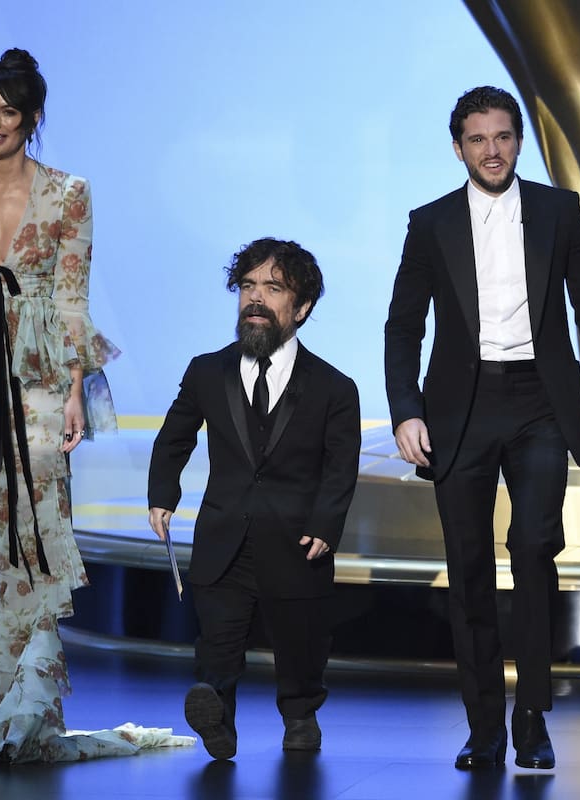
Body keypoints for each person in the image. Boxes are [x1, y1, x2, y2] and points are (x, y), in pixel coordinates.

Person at [0, 48, 188, 762]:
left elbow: (70, 300)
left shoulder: (67, 194)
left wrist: (78, 393)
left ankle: (21, 715)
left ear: (32, 118)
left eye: (8, 112)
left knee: (30, 537)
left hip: (35, 385)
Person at [384, 86, 580, 770]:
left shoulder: (559, 209)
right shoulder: (430, 223)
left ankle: (533, 717)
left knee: (532, 547)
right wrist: (406, 408)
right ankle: (484, 725)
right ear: (459, 147)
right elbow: (404, 324)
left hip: (539, 404)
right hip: (457, 407)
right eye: (477, 139)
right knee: (467, 570)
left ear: (518, 141)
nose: (492, 150)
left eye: (503, 136)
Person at [148, 238, 361, 761]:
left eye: (273, 287)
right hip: (224, 534)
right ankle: (217, 718)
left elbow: (340, 466)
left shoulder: (335, 387)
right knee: (218, 643)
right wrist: (162, 495)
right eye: (247, 286)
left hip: (297, 539)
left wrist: (327, 523)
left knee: (300, 644)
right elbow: (175, 436)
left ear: (302, 307)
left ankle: (300, 716)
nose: (255, 299)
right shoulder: (206, 370)